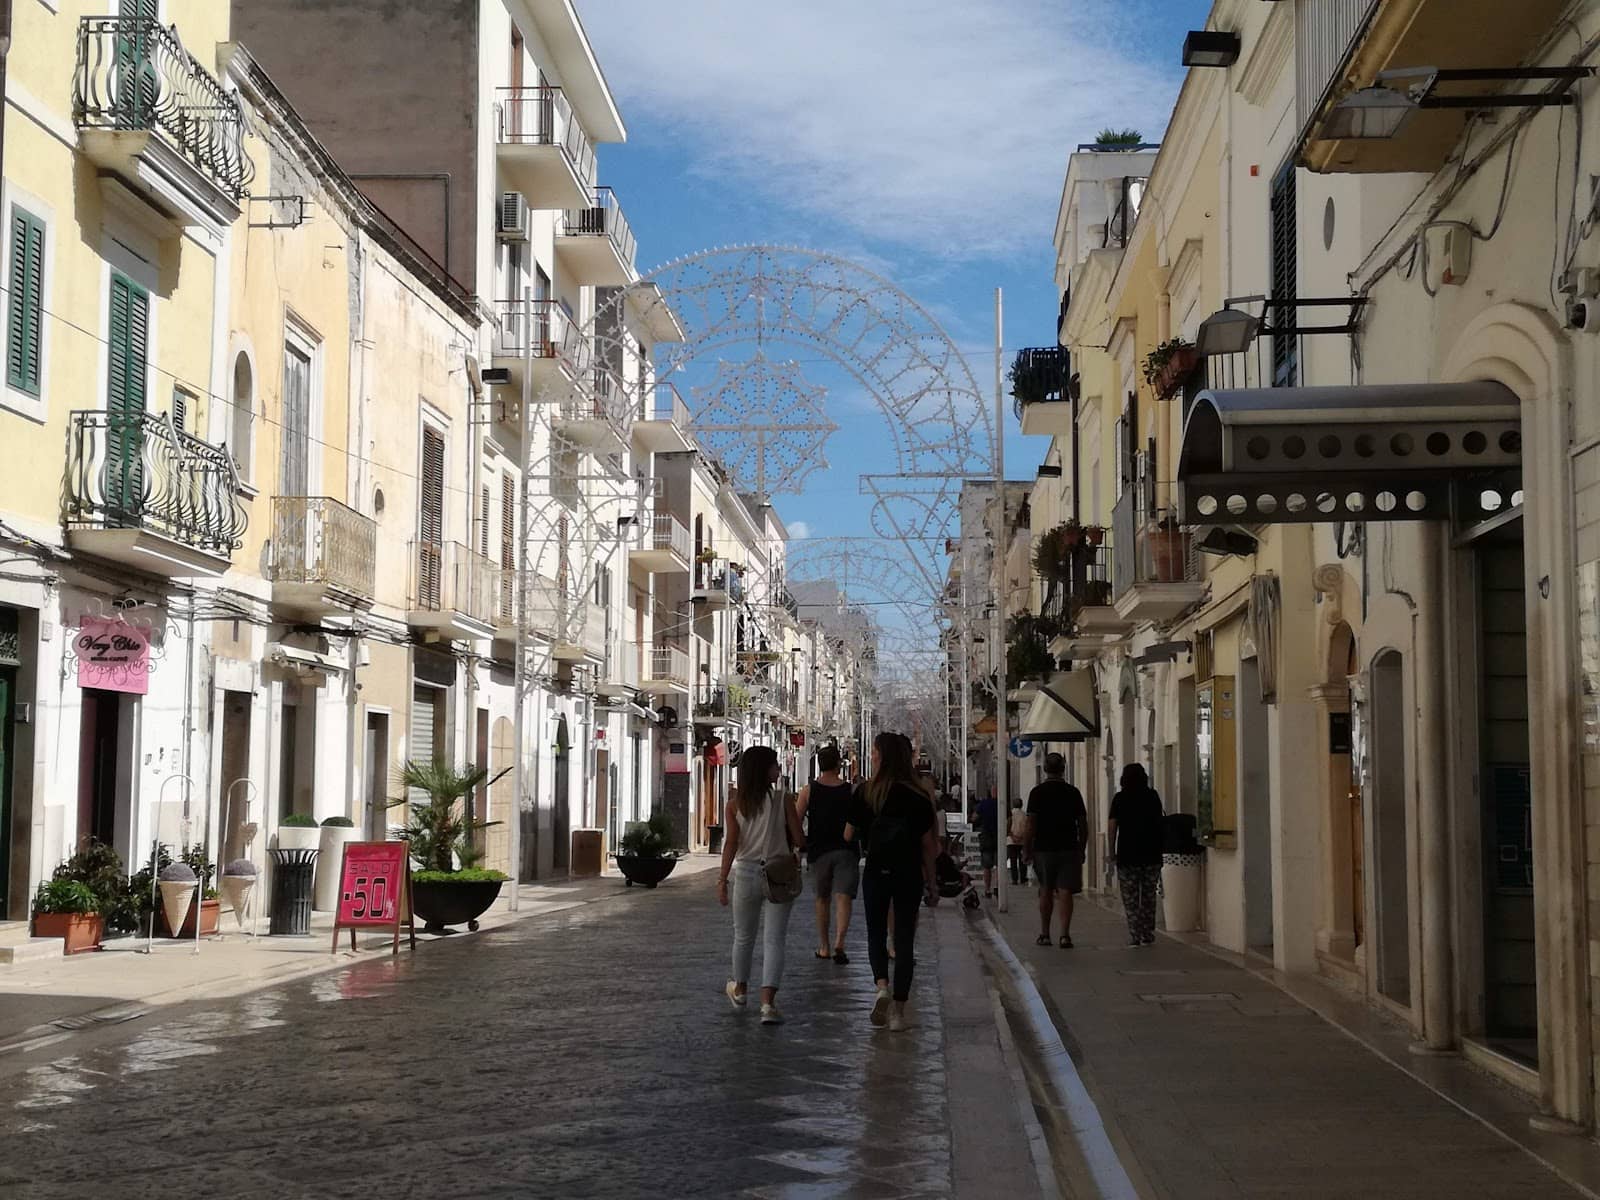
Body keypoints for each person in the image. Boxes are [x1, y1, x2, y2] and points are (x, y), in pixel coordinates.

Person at [845, 731, 939, 1032]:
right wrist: (933, 884)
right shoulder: (920, 795)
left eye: (873, 751)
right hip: (908, 872)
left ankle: (881, 987)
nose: (870, 755)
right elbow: (929, 846)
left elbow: (848, 834)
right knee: (904, 940)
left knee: (875, 933)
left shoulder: (866, 792)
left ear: (882, 756)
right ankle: (898, 1011)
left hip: (876, 871)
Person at [718, 745, 805, 1023]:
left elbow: (731, 843)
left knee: (743, 936)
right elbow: (800, 839)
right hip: (778, 874)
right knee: (774, 939)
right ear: (763, 770)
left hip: (745, 873)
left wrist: (722, 879)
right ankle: (767, 1004)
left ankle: (741, 990)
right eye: (774, 765)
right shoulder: (783, 800)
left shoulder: (734, 805)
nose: (778, 770)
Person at [796, 745, 856, 964]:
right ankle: (840, 941)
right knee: (844, 896)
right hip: (846, 850)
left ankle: (824, 946)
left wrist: (798, 846)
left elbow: (796, 818)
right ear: (838, 763)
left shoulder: (808, 790)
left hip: (818, 851)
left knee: (822, 899)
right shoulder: (850, 790)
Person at [1025, 752, 1089, 948]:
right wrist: (1081, 848)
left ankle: (1045, 933)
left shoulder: (1036, 793)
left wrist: (1027, 848)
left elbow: (1030, 824)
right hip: (1069, 847)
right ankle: (1064, 935)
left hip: (1044, 848)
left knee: (1045, 889)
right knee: (1065, 891)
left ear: (1045, 769)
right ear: (1063, 768)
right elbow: (1083, 824)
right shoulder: (1073, 792)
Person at [1108, 762, 1165, 947]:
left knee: (1130, 898)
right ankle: (1147, 933)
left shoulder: (1119, 798)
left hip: (1127, 854)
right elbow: (1159, 823)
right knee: (1148, 896)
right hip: (1151, 853)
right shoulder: (1152, 796)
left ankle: (1135, 934)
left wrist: (1111, 851)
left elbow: (1112, 827)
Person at [975, 789, 999, 897]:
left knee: (987, 866)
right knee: (999, 865)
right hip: (998, 837)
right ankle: (997, 887)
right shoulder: (1002, 804)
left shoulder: (983, 804)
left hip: (986, 838)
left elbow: (974, 817)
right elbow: (1009, 819)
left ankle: (988, 889)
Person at [1006, 799, 1028, 886]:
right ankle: (1023, 878)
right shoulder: (1024, 815)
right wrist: (1021, 837)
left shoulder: (1010, 814)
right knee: (1022, 860)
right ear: (1022, 805)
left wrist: (1013, 837)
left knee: (1013, 861)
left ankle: (1014, 879)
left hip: (1011, 841)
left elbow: (1007, 827)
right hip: (1022, 841)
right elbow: (1027, 828)